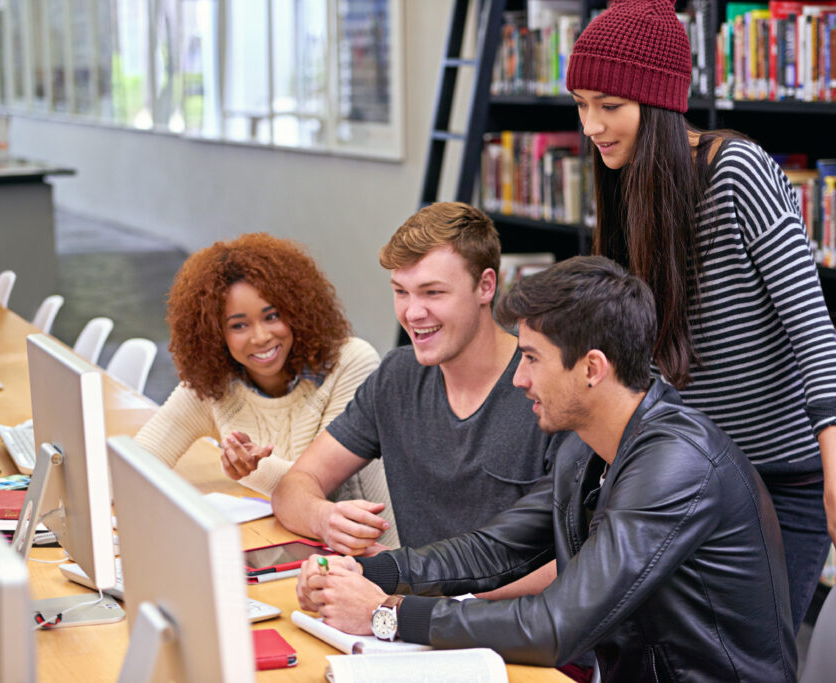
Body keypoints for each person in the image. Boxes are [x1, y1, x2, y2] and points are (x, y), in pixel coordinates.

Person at [296, 256, 797, 682]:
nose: (518, 378)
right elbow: (495, 550)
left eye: (532, 358)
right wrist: (362, 571)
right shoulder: (591, 442)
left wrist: (386, 614)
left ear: (592, 369)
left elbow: (555, 626)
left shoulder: (675, 465)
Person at [564, 0, 836, 628]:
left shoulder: (737, 172)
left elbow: (814, 337)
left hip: (781, 483)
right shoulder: (623, 183)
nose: (592, 126)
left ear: (659, 102)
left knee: (745, 658)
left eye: (610, 106)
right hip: (688, 474)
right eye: (582, 105)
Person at [273, 202, 566, 570]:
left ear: (486, 286)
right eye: (401, 291)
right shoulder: (397, 377)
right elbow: (294, 485)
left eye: (433, 293)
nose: (412, 313)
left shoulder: (548, 388)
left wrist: (408, 584)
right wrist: (325, 519)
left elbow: (569, 565)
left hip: (504, 620)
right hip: (413, 609)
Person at [132, 233, 397, 548]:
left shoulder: (350, 362)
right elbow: (135, 466)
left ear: (297, 311)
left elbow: (325, 492)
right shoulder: (213, 385)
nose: (260, 337)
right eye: (239, 325)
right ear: (215, 334)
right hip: (287, 550)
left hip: (378, 561)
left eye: (272, 316)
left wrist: (254, 470)